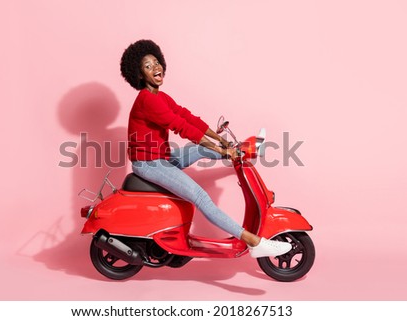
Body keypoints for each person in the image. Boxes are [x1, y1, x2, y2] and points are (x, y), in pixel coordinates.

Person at [120, 39, 292, 258]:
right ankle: (253, 242)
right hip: (149, 164)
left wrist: (221, 141)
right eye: (148, 66)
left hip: (162, 157)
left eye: (156, 62)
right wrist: (221, 151)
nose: (156, 68)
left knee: (198, 149)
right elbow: (180, 126)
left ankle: (241, 150)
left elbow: (186, 116)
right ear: (139, 74)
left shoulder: (160, 96)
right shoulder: (147, 100)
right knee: (201, 198)